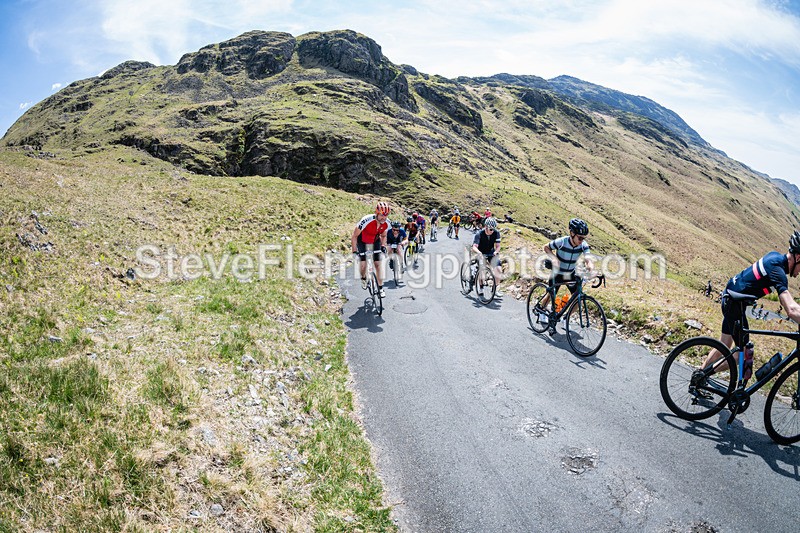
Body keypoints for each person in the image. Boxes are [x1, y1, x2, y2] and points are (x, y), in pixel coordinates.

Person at [700, 231, 800, 377]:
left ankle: (699, 375)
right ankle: (704, 375)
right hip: (734, 305)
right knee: (744, 355)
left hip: (731, 299)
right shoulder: (777, 271)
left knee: (724, 346)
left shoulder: (775, 257)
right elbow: (791, 309)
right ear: (798, 257)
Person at [538, 218, 595, 315]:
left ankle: (566, 318)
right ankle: (541, 311)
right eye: (580, 238)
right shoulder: (562, 242)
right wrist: (554, 259)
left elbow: (588, 258)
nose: (581, 241)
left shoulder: (583, 245)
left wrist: (590, 266)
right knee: (551, 295)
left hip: (570, 274)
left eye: (583, 238)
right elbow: (546, 247)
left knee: (578, 299)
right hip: (557, 273)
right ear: (572, 233)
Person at [352, 201, 390, 298]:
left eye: (386, 216)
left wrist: (383, 246)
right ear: (376, 213)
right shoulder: (366, 220)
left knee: (378, 265)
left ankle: (381, 288)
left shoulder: (386, 223)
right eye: (381, 215)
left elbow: (384, 235)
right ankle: (364, 278)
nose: (384, 218)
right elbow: (354, 236)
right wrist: (354, 251)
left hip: (375, 241)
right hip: (362, 241)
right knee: (363, 266)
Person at [471, 216, 502, 291]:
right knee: (482, 270)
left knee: (499, 270)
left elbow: (498, 246)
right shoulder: (479, 234)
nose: (492, 231)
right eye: (491, 229)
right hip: (481, 252)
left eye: (494, 229)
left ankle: (494, 289)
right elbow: (474, 247)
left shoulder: (496, 233)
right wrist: (479, 252)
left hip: (491, 252)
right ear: (486, 227)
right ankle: (481, 287)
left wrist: (496, 252)